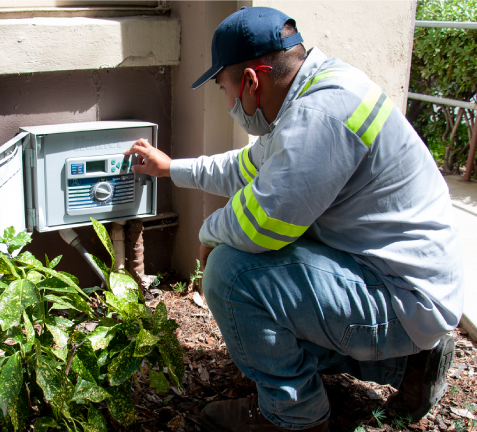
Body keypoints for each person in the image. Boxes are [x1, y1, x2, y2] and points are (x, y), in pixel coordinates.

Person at [125, 7, 463, 432]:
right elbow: (246, 167)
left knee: (232, 275)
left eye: (224, 89)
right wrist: (171, 168)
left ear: (251, 81)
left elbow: (265, 223)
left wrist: (208, 235)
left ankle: (294, 416)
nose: (228, 103)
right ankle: (410, 366)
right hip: (402, 282)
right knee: (268, 273)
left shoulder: (318, 117)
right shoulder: (317, 91)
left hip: (402, 296)